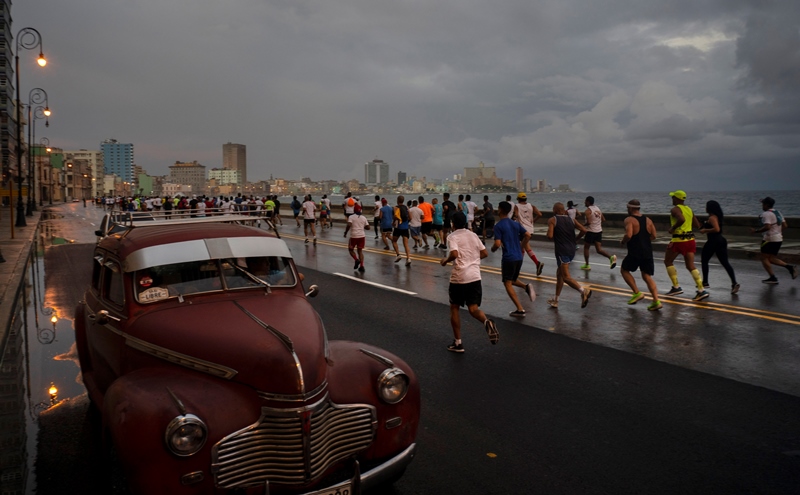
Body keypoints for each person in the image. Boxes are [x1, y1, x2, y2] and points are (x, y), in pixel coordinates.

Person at [441, 212, 498, 352]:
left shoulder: (452, 236)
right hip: (474, 276)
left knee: (454, 307)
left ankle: (458, 343)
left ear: (453, 223)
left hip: (459, 277)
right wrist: (472, 260)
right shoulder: (472, 235)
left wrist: (445, 261)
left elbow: (454, 253)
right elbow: (484, 253)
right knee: (473, 309)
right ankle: (486, 321)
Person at [491, 201, 534, 317]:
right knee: (512, 279)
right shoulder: (515, 224)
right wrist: (521, 246)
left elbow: (497, 243)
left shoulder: (498, 226)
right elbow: (528, 235)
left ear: (500, 210)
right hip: (519, 257)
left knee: (507, 283)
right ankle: (526, 287)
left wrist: (493, 249)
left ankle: (520, 309)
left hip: (508, 258)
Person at [546, 202, 591, 309]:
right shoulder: (571, 219)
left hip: (562, 251)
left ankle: (583, 291)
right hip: (571, 250)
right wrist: (576, 239)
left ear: (556, 210)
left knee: (566, 277)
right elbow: (584, 230)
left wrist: (549, 231)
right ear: (563, 210)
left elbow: (550, 236)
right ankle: (556, 300)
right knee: (559, 275)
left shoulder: (553, 220)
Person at [664, 190, 706, 300]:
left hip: (679, 240)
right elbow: (697, 225)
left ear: (677, 199)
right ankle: (701, 290)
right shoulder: (689, 209)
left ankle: (676, 287)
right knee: (690, 265)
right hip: (690, 240)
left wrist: (673, 228)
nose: (672, 199)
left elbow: (681, 219)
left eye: (673, 197)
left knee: (668, 261)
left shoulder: (675, 209)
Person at [620, 200, 662, 311]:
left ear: (630, 208)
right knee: (647, 275)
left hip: (635, 251)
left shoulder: (629, 220)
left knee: (624, 270)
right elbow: (654, 235)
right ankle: (656, 301)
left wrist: (623, 241)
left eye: (627, 208)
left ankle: (637, 293)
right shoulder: (648, 220)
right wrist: (644, 240)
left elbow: (628, 234)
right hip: (647, 251)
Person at [751, 196, 797, 284]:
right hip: (778, 238)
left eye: (763, 204)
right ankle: (790, 268)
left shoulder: (766, 214)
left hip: (769, 239)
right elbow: (785, 225)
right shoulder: (778, 212)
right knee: (771, 258)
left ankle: (772, 277)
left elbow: (767, 226)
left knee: (764, 258)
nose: (762, 206)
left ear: (767, 205)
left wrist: (756, 231)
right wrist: (777, 232)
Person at [699, 200, 740, 293]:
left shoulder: (712, 217)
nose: (705, 208)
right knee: (725, 262)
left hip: (713, 241)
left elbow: (716, 229)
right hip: (721, 241)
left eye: (706, 206)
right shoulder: (718, 217)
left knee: (704, 260)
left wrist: (705, 230)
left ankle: (705, 281)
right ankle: (734, 282)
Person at [581, 196, 617, 271]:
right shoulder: (598, 209)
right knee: (599, 250)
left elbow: (588, 222)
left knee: (586, 248)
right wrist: (597, 223)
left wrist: (582, 225)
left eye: (585, 201)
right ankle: (611, 257)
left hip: (590, 232)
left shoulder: (588, 211)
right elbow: (603, 219)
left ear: (588, 202)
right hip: (599, 231)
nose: (584, 202)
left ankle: (587, 265)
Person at [513, 192, 544, 276]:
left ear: (518, 199)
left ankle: (518, 268)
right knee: (526, 248)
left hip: (522, 231)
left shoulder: (517, 206)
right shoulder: (531, 206)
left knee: (521, 249)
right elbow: (540, 214)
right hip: (530, 230)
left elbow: (515, 215)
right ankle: (537, 263)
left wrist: (513, 220)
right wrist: (532, 221)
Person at [344, 203, 370, 272]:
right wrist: (362, 225)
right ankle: (362, 266)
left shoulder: (351, 217)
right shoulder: (364, 218)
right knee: (360, 251)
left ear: (354, 210)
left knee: (350, 249)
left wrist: (345, 232)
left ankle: (356, 259)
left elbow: (349, 225)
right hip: (362, 236)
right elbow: (368, 227)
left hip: (354, 236)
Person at [391, 195, 412, 265]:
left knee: (394, 241)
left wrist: (393, 222)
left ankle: (398, 255)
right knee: (406, 244)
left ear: (397, 200)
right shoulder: (407, 208)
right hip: (405, 228)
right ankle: (408, 258)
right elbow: (410, 217)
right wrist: (406, 222)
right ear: (403, 200)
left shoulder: (395, 208)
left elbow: (395, 216)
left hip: (398, 227)